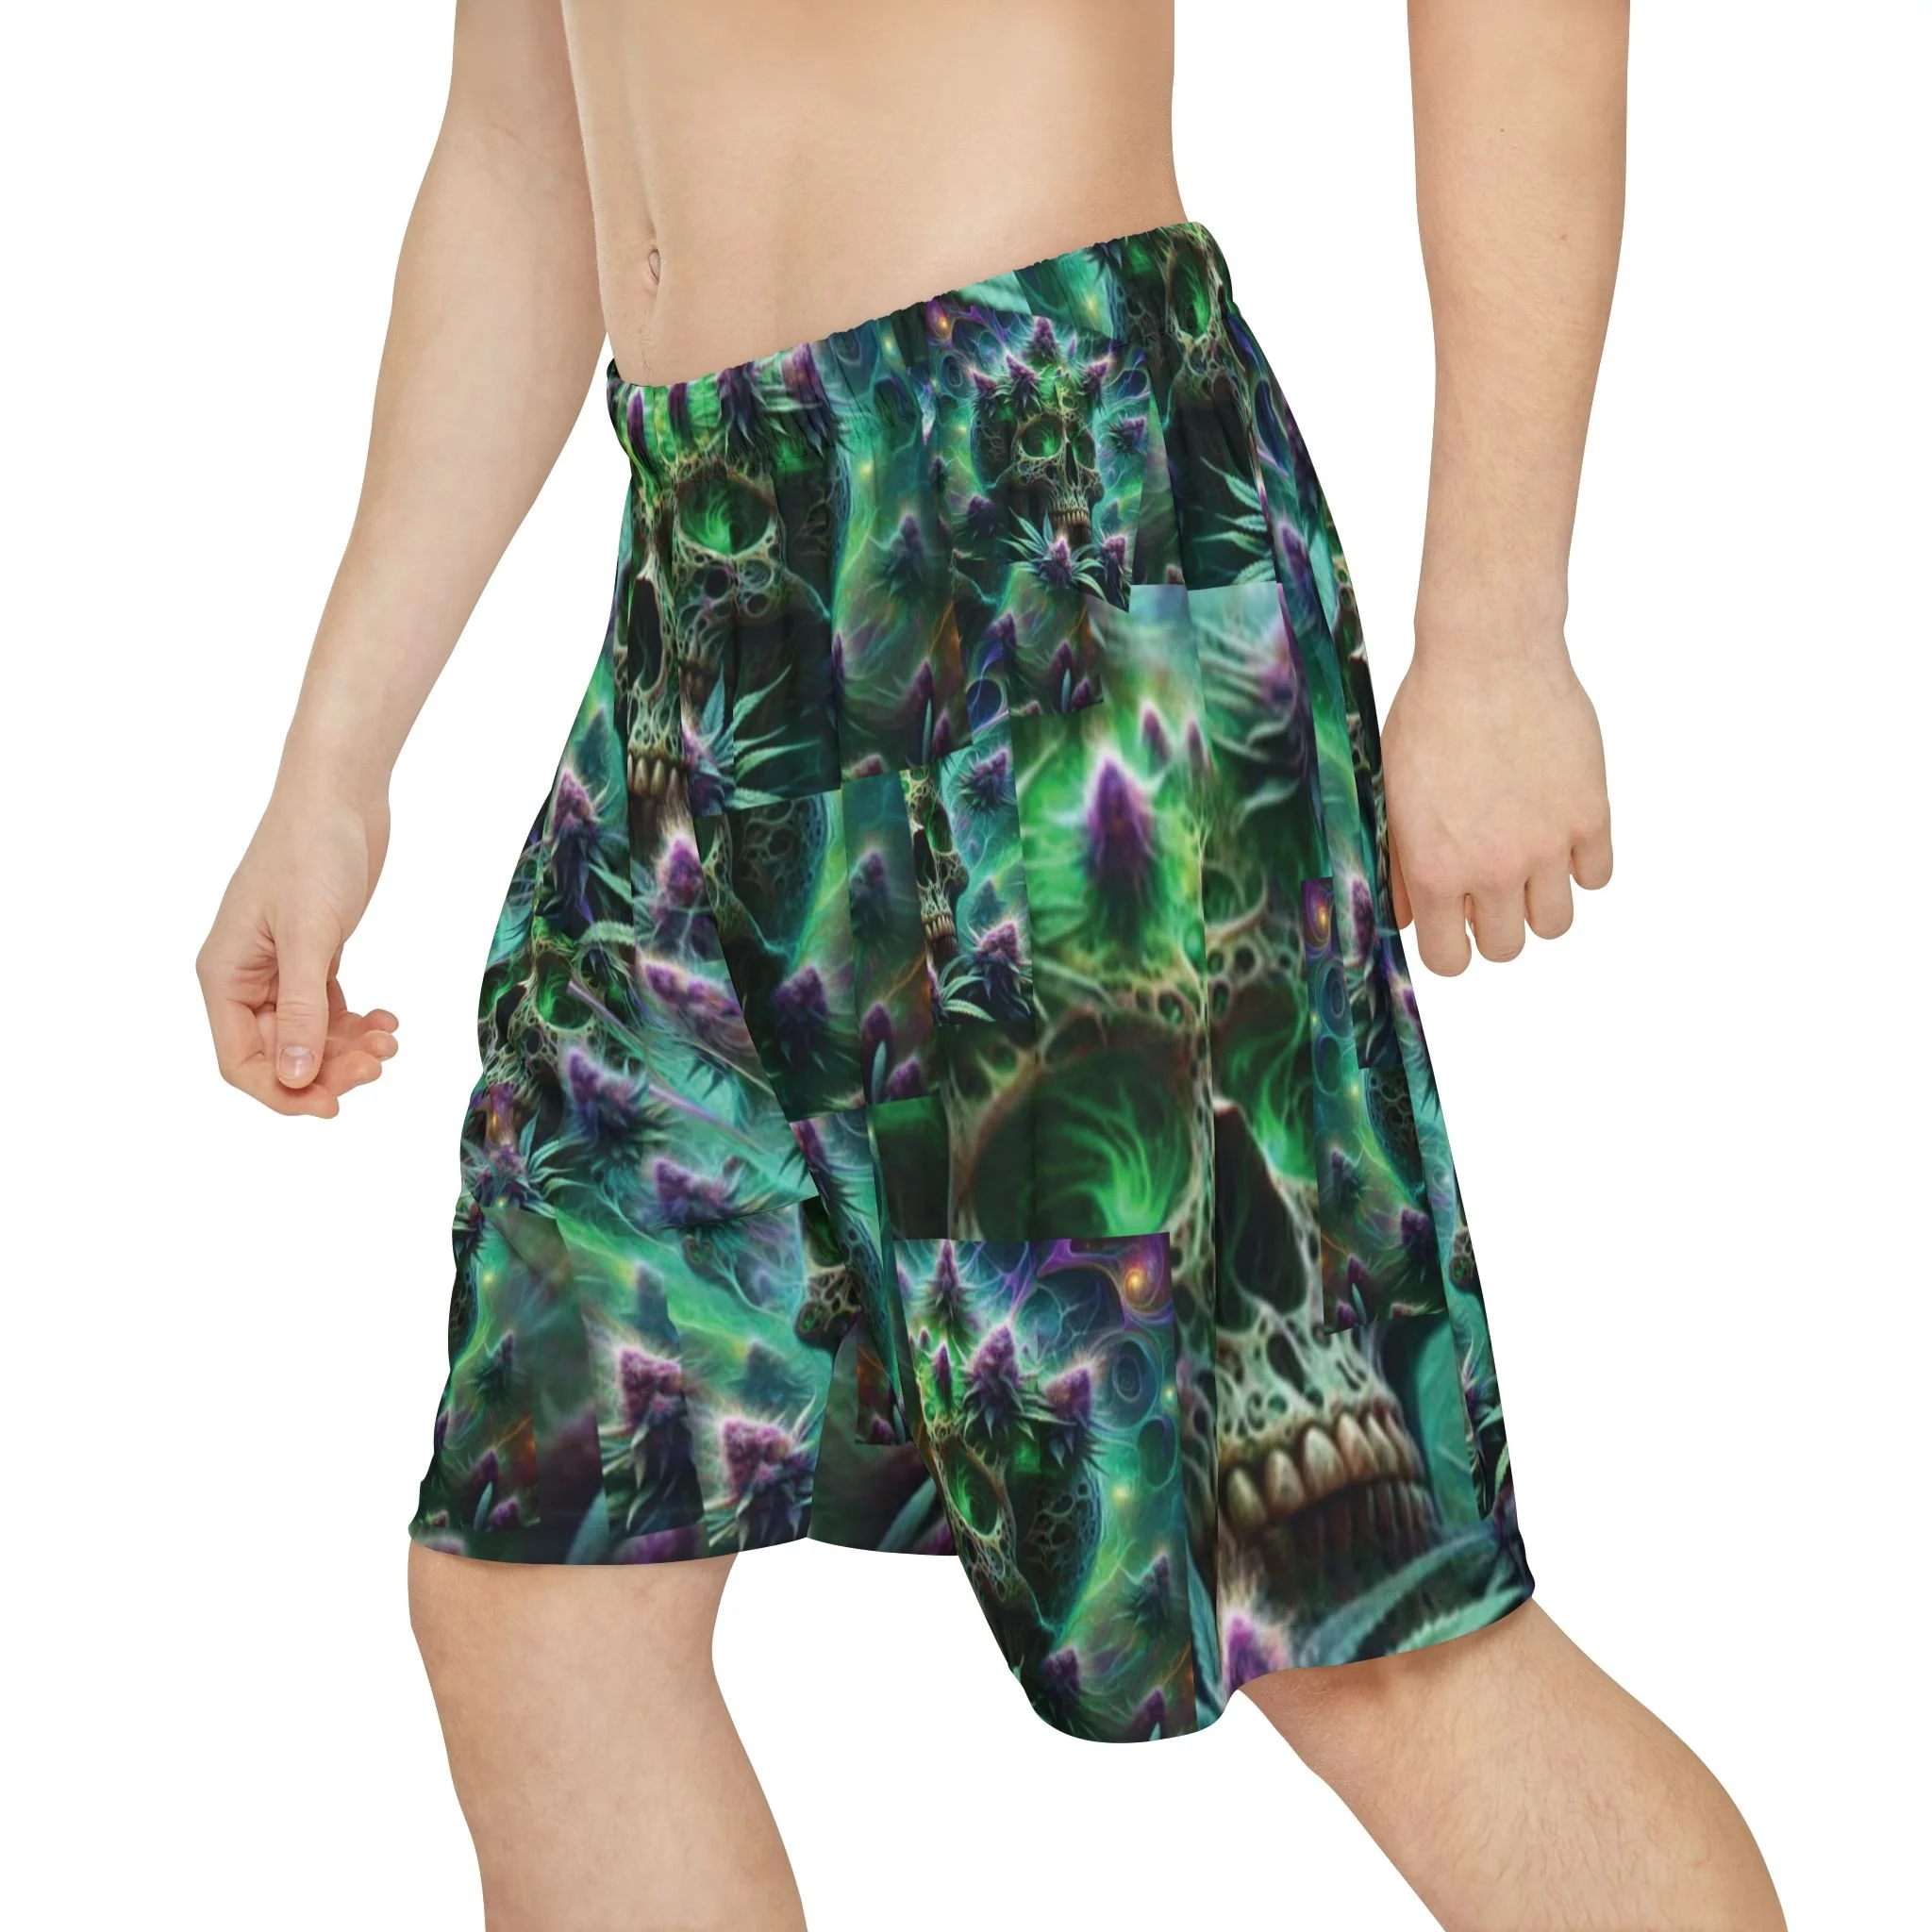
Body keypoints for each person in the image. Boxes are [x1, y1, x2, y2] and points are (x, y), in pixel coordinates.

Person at [196, 3, 1785, 1926]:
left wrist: (1501, 624)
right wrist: (335, 759)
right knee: (545, 1579)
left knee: (1342, 1597)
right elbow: (528, 151)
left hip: (1044, 557)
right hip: (707, 604)